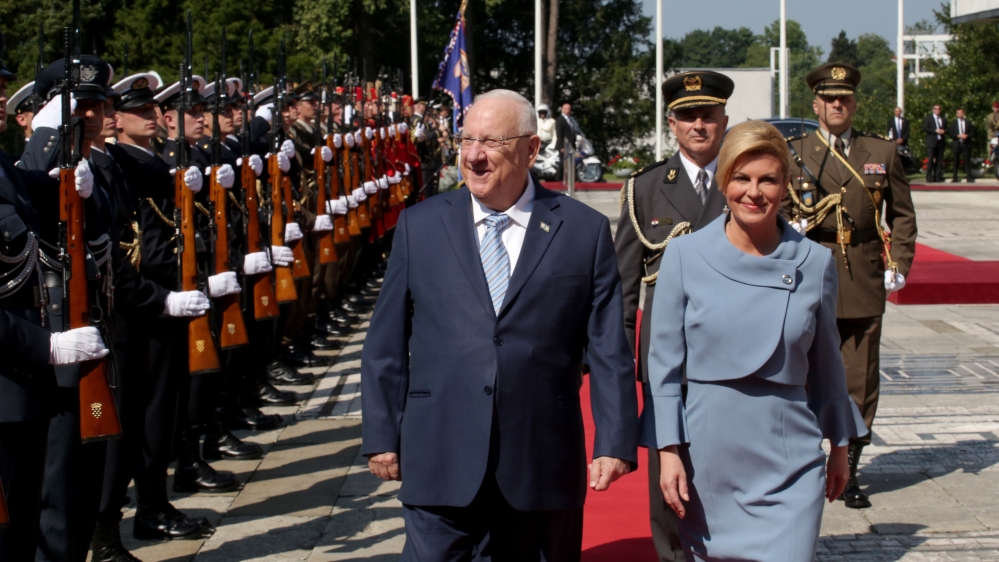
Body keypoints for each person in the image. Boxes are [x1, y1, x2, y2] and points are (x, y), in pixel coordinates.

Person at [361, 88, 638, 560]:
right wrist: (382, 434)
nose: (473, 156)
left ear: (531, 149)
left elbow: (608, 346)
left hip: (540, 458)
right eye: (466, 140)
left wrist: (614, 441)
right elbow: (385, 342)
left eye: (490, 142)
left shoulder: (583, 230)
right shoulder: (420, 226)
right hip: (439, 453)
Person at [651, 119, 867, 562]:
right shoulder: (683, 257)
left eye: (768, 179)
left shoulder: (816, 262)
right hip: (709, 459)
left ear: (785, 185)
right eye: (741, 178)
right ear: (723, 181)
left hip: (790, 461)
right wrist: (668, 452)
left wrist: (841, 447)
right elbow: (664, 366)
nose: (754, 192)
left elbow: (827, 365)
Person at [785, 62, 917, 510]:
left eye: (844, 98)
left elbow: (901, 213)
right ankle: (805, 464)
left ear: (854, 104)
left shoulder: (880, 151)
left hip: (861, 271)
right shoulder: (795, 152)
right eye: (829, 98)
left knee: (859, 378)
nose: (837, 105)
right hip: (809, 272)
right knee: (801, 374)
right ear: (816, 104)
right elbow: (775, 208)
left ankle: (852, 471)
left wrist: (898, 260)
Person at [0, 37, 111, 562]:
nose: (1, 101)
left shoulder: (4, 170)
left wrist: (72, 183)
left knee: (31, 525)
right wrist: (45, 345)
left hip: (24, 384)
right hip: (17, 372)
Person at [615, 70, 733, 562]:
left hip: (735, 352)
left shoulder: (746, 180)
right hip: (669, 358)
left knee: (730, 468)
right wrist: (619, 371)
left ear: (725, 119)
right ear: (671, 123)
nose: (699, 125)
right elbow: (623, 290)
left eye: (708, 115)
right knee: (670, 470)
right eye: (688, 116)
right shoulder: (644, 189)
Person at [948, 108, 975, 183]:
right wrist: (958, 136)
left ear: (963, 113)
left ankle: (969, 177)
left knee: (967, 161)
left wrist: (967, 135)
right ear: (956, 114)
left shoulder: (968, 122)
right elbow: (951, 133)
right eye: (958, 113)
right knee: (956, 161)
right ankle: (954, 177)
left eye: (961, 113)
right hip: (957, 144)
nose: (960, 114)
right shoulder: (954, 123)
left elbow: (972, 133)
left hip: (965, 144)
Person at [922, 104, 947, 182]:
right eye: (936, 109)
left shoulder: (943, 119)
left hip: (940, 142)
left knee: (939, 160)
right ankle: (929, 177)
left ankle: (937, 177)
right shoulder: (929, 118)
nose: (937, 110)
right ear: (933, 110)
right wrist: (935, 131)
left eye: (939, 109)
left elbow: (947, 128)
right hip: (932, 142)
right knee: (930, 160)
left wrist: (944, 131)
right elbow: (925, 128)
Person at [555, 102, 577, 180]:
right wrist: (561, 146)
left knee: (570, 163)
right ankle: (558, 179)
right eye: (566, 109)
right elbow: (559, 134)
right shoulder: (560, 120)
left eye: (569, 109)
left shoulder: (571, 119)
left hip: (571, 145)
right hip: (563, 145)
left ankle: (570, 179)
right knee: (563, 163)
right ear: (562, 109)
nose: (568, 110)